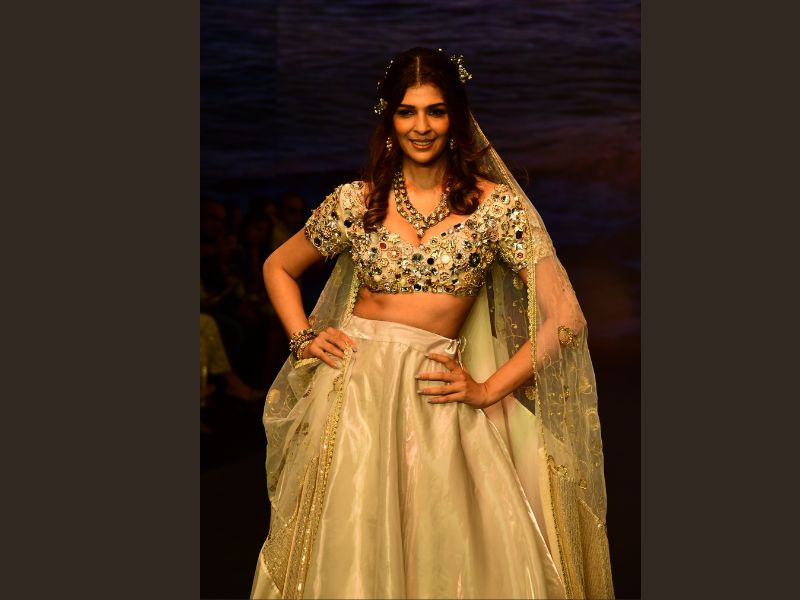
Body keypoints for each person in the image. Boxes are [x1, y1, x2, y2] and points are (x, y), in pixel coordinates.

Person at [250, 47, 614, 599]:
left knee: (442, 550)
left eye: (436, 111)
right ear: (389, 119)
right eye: (407, 112)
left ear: (456, 118)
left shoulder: (496, 209)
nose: (421, 126)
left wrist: (488, 388)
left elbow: (566, 317)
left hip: (435, 396)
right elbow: (278, 266)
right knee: (350, 547)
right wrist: (303, 338)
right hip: (353, 398)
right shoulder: (356, 202)